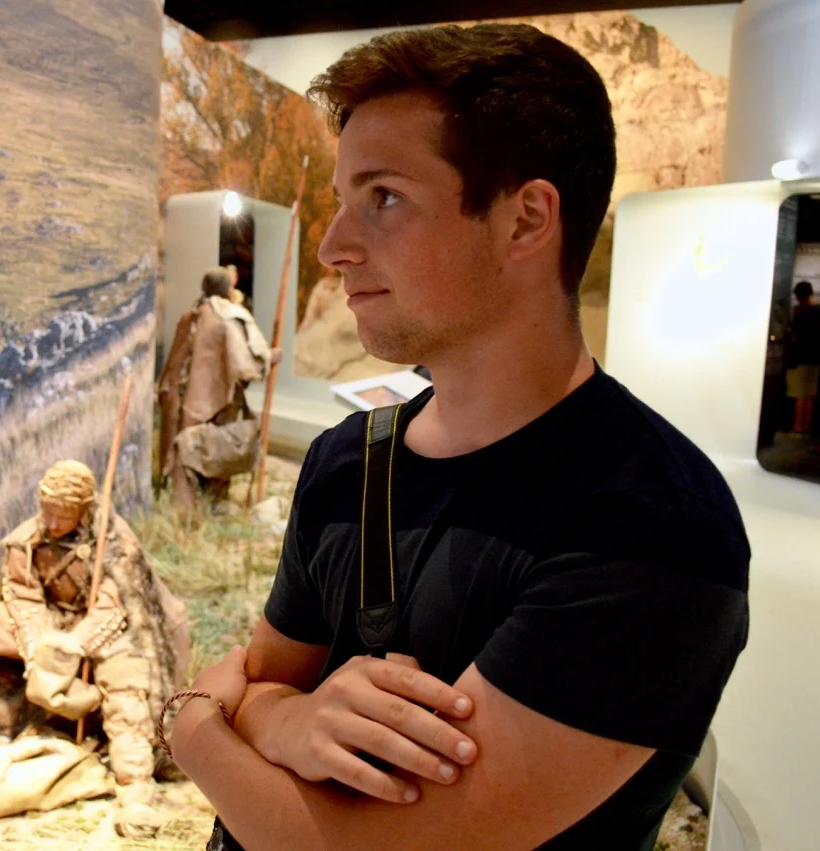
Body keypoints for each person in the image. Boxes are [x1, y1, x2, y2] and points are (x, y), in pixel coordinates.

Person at [166, 23, 750, 851]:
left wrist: (194, 732)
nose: (334, 247)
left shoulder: (650, 522)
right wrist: (286, 718)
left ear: (526, 220)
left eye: (384, 197)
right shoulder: (347, 460)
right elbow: (261, 683)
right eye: (343, 199)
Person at [0, 459, 190, 837]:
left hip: (106, 627)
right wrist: (40, 643)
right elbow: (22, 595)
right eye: (47, 512)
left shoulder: (115, 543)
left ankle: (134, 787)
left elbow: (116, 604)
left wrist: (74, 645)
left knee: (126, 681)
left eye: (63, 516)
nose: (53, 524)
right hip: (49, 622)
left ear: (83, 509)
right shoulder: (27, 540)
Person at [157, 267, 278, 510]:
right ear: (227, 288)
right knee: (211, 449)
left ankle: (186, 507)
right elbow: (246, 366)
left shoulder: (190, 314)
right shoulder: (228, 318)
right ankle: (201, 506)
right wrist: (271, 357)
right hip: (214, 400)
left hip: (182, 399)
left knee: (185, 449)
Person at [783, 280, 820, 438]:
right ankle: (807, 426)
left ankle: (798, 426)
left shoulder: (802, 314)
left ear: (800, 296)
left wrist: (789, 332)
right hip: (816, 359)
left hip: (799, 359)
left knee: (799, 394)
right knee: (810, 394)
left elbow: (795, 337)